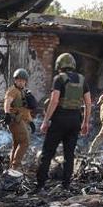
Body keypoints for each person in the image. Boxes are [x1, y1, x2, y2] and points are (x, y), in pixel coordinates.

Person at [37, 52, 92, 190]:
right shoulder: (82, 79)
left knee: (47, 153)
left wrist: (45, 121)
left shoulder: (59, 79)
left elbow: (54, 100)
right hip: (75, 121)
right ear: (72, 65)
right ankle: (66, 185)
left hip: (59, 120)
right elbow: (88, 103)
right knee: (69, 154)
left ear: (59, 65)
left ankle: (40, 185)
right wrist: (85, 122)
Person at [3, 68, 34, 169]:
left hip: (21, 120)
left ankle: (11, 168)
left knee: (17, 143)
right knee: (25, 142)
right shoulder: (13, 90)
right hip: (15, 120)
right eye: (19, 80)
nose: (21, 82)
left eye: (23, 81)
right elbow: (7, 102)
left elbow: (25, 110)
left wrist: (31, 122)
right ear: (15, 80)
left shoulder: (23, 92)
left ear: (25, 82)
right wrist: (7, 113)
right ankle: (15, 167)